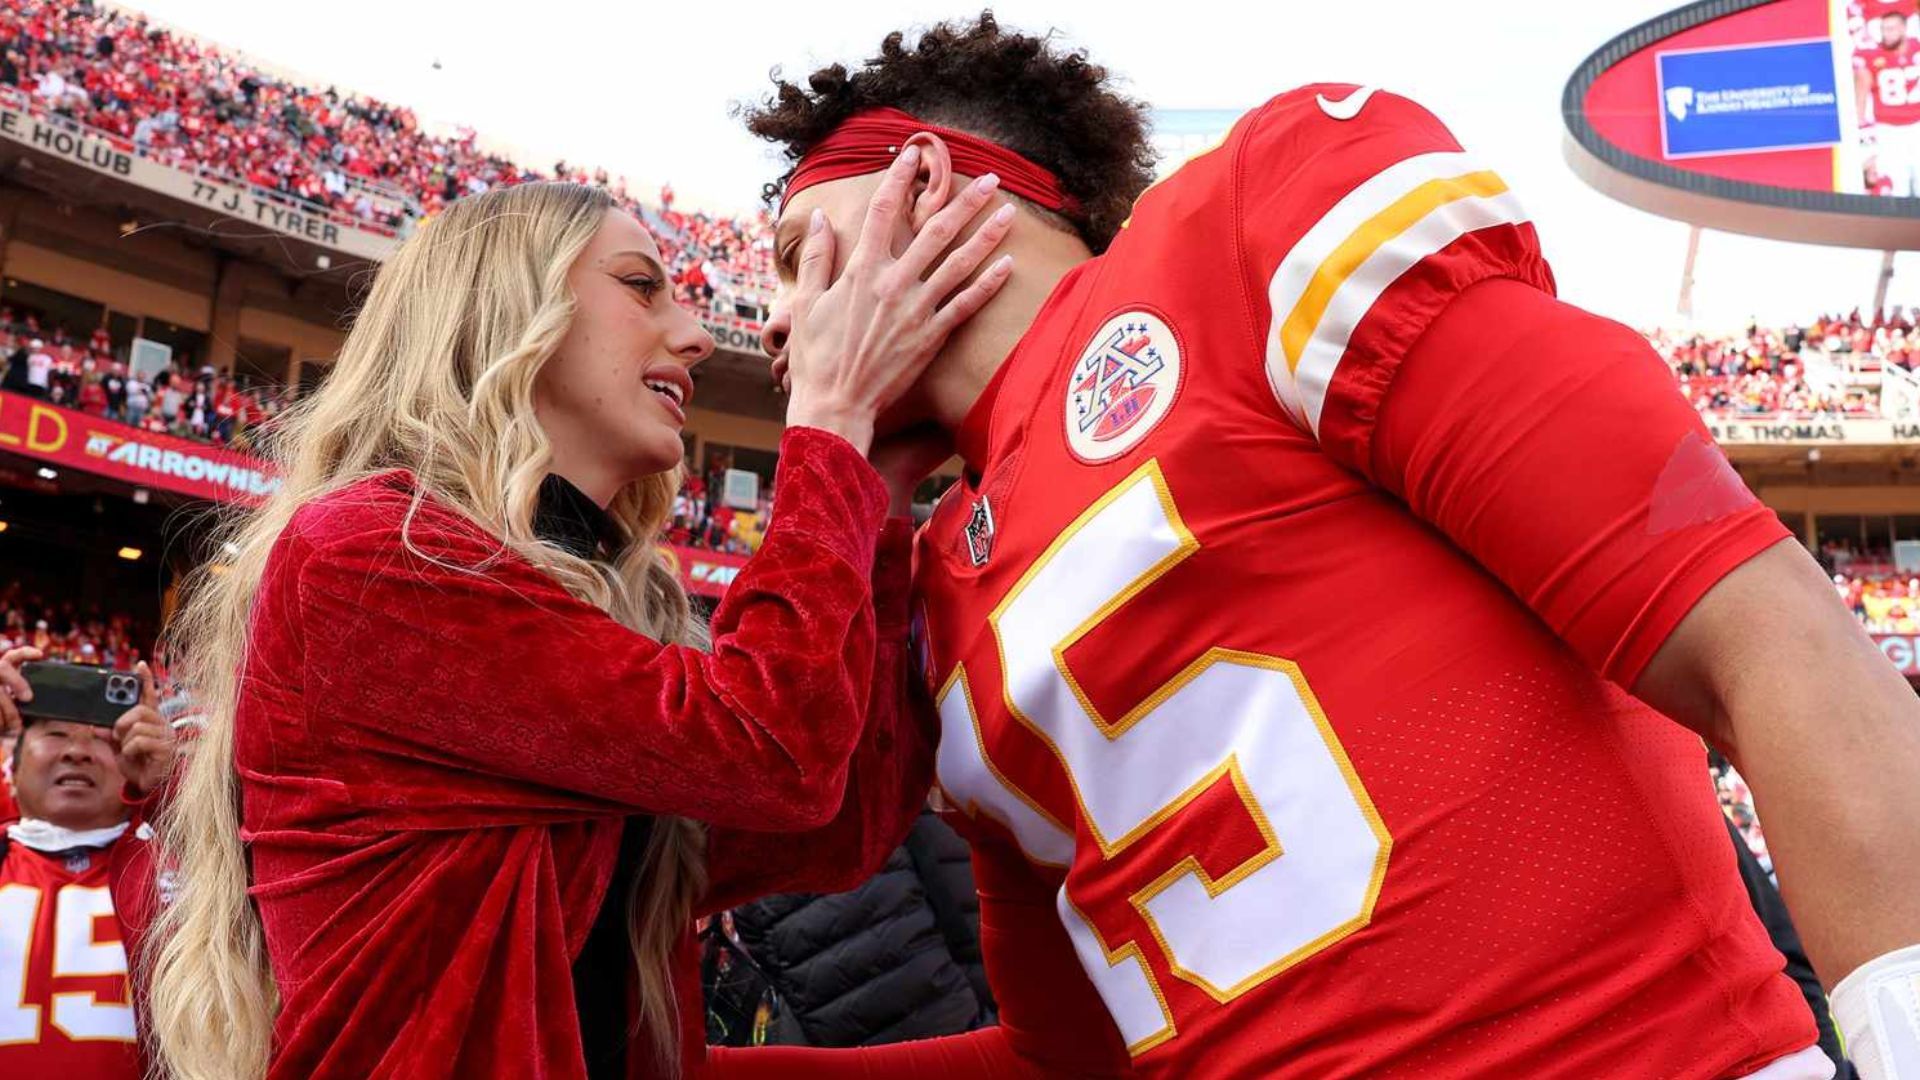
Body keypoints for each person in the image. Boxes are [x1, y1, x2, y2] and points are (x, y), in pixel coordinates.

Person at [742, 15, 1920, 1079]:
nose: (779, 319)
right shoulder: (935, 594)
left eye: (797, 252)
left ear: (926, 178)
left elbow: (1757, 624)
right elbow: (1066, 1063)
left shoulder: (1239, 231)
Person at [144, 176, 1015, 1080]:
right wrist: (828, 429)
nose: (698, 337)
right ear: (504, 308)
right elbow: (767, 751)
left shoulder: (590, 587)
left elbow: (833, 825)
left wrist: (875, 501)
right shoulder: (364, 552)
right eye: (642, 287)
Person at [0, 646, 178, 1079]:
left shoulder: (174, 865)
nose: (78, 751)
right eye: (56, 734)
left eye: (102, 739)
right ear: (12, 768)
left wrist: (173, 794)